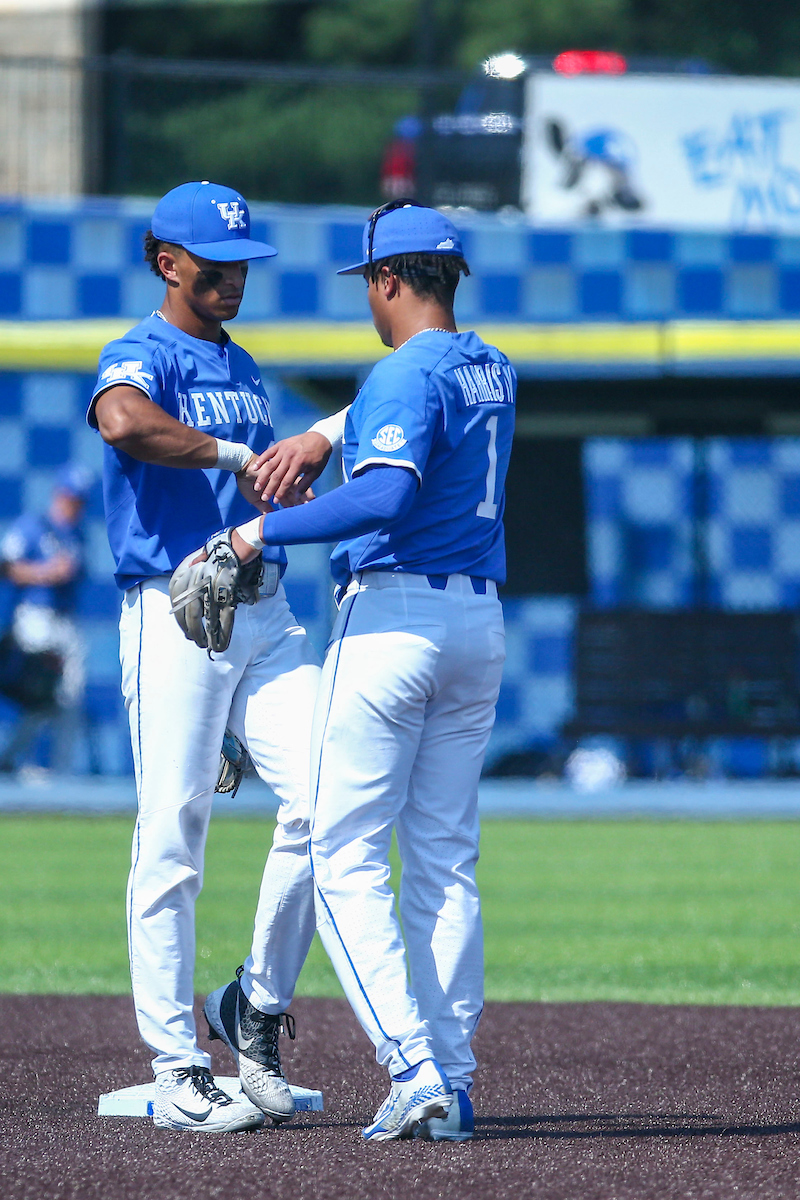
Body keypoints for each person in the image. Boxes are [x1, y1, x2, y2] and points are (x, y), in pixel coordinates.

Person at [221, 201, 516, 1141]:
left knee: (345, 854)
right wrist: (327, 430)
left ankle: (412, 1065)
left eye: (372, 286)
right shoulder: (494, 367)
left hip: (393, 624)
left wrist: (258, 529)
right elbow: (419, 395)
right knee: (444, 860)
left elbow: (385, 489)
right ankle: (454, 1080)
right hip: (479, 620)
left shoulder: (399, 372)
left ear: (389, 280)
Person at [89, 181, 334, 1134]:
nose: (233, 276)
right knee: (173, 831)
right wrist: (236, 459)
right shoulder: (140, 351)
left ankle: (251, 1003)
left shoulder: (241, 360)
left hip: (261, 612)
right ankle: (178, 1065)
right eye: (214, 262)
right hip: (175, 613)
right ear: (167, 262)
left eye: (241, 262)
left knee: (334, 795)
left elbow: (268, 496)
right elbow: (121, 422)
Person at [0, 467, 92, 775]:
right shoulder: (33, 526)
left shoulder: (77, 533)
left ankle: (62, 773)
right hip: (34, 618)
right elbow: (6, 567)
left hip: (64, 622)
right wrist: (45, 571)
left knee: (70, 697)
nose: (73, 505)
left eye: (78, 500)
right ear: (57, 494)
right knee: (40, 695)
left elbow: (78, 576)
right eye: (69, 497)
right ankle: (13, 760)